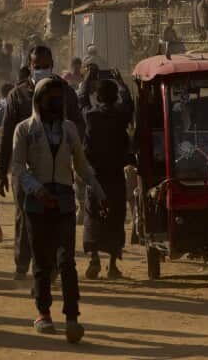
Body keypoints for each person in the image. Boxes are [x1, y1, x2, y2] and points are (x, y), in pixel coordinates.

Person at [11, 76, 105, 343]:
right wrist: (37, 189)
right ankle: (43, 313)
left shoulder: (69, 130)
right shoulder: (25, 129)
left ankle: (72, 317)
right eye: (50, 95)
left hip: (63, 201)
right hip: (36, 203)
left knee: (67, 262)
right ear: (39, 99)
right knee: (41, 263)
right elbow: (17, 167)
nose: (56, 100)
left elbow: (81, 165)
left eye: (59, 96)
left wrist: (98, 189)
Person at [0, 45, 84, 286]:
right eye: (37, 66)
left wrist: (74, 157)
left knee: (55, 215)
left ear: (53, 65)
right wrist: (0, 172)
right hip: (24, 168)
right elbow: (6, 135)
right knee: (24, 216)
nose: (41, 70)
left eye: (46, 66)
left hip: (56, 166)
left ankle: (51, 266)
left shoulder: (65, 92)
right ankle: (22, 264)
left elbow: (79, 125)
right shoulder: (17, 95)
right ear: (29, 66)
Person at [81, 80, 133, 283]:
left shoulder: (91, 116)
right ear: (115, 96)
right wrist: (122, 83)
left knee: (93, 214)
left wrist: (88, 79)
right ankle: (112, 265)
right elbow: (129, 102)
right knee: (116, 216)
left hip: (96, 175)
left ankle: (93, 257)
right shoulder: (121, 115)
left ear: (99, 97)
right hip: (116, 175)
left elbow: (81, 99)